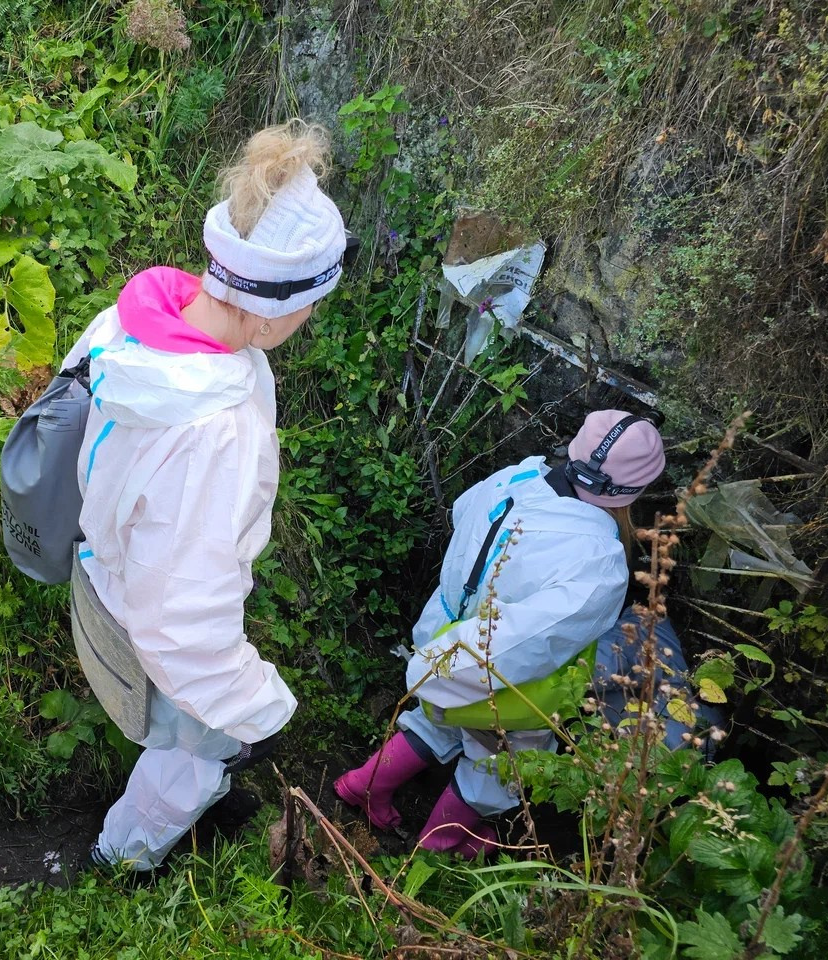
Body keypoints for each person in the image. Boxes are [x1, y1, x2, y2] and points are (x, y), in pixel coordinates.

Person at [64, 120, 350, 876]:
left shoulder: (132, 324)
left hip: (100, 568)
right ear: (272, 310)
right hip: (147, 626)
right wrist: (257, 710)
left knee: (194, 735)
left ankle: (181, 799)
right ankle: (120, 863)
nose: (309, 322)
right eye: (311, 306)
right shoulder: (217, 434)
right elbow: (182, 626)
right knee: (191, 752)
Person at [336, 411, 665, 857]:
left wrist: (435, 669)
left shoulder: (518, 475)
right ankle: (438, 849)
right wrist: (450, 677)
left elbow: (461, 514)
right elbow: (529, 643)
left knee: (436, 721)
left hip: (441, 631)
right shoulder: (600, 559)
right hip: (489, 673)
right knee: (498, 761)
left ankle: (362, 786)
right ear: (637, 491)